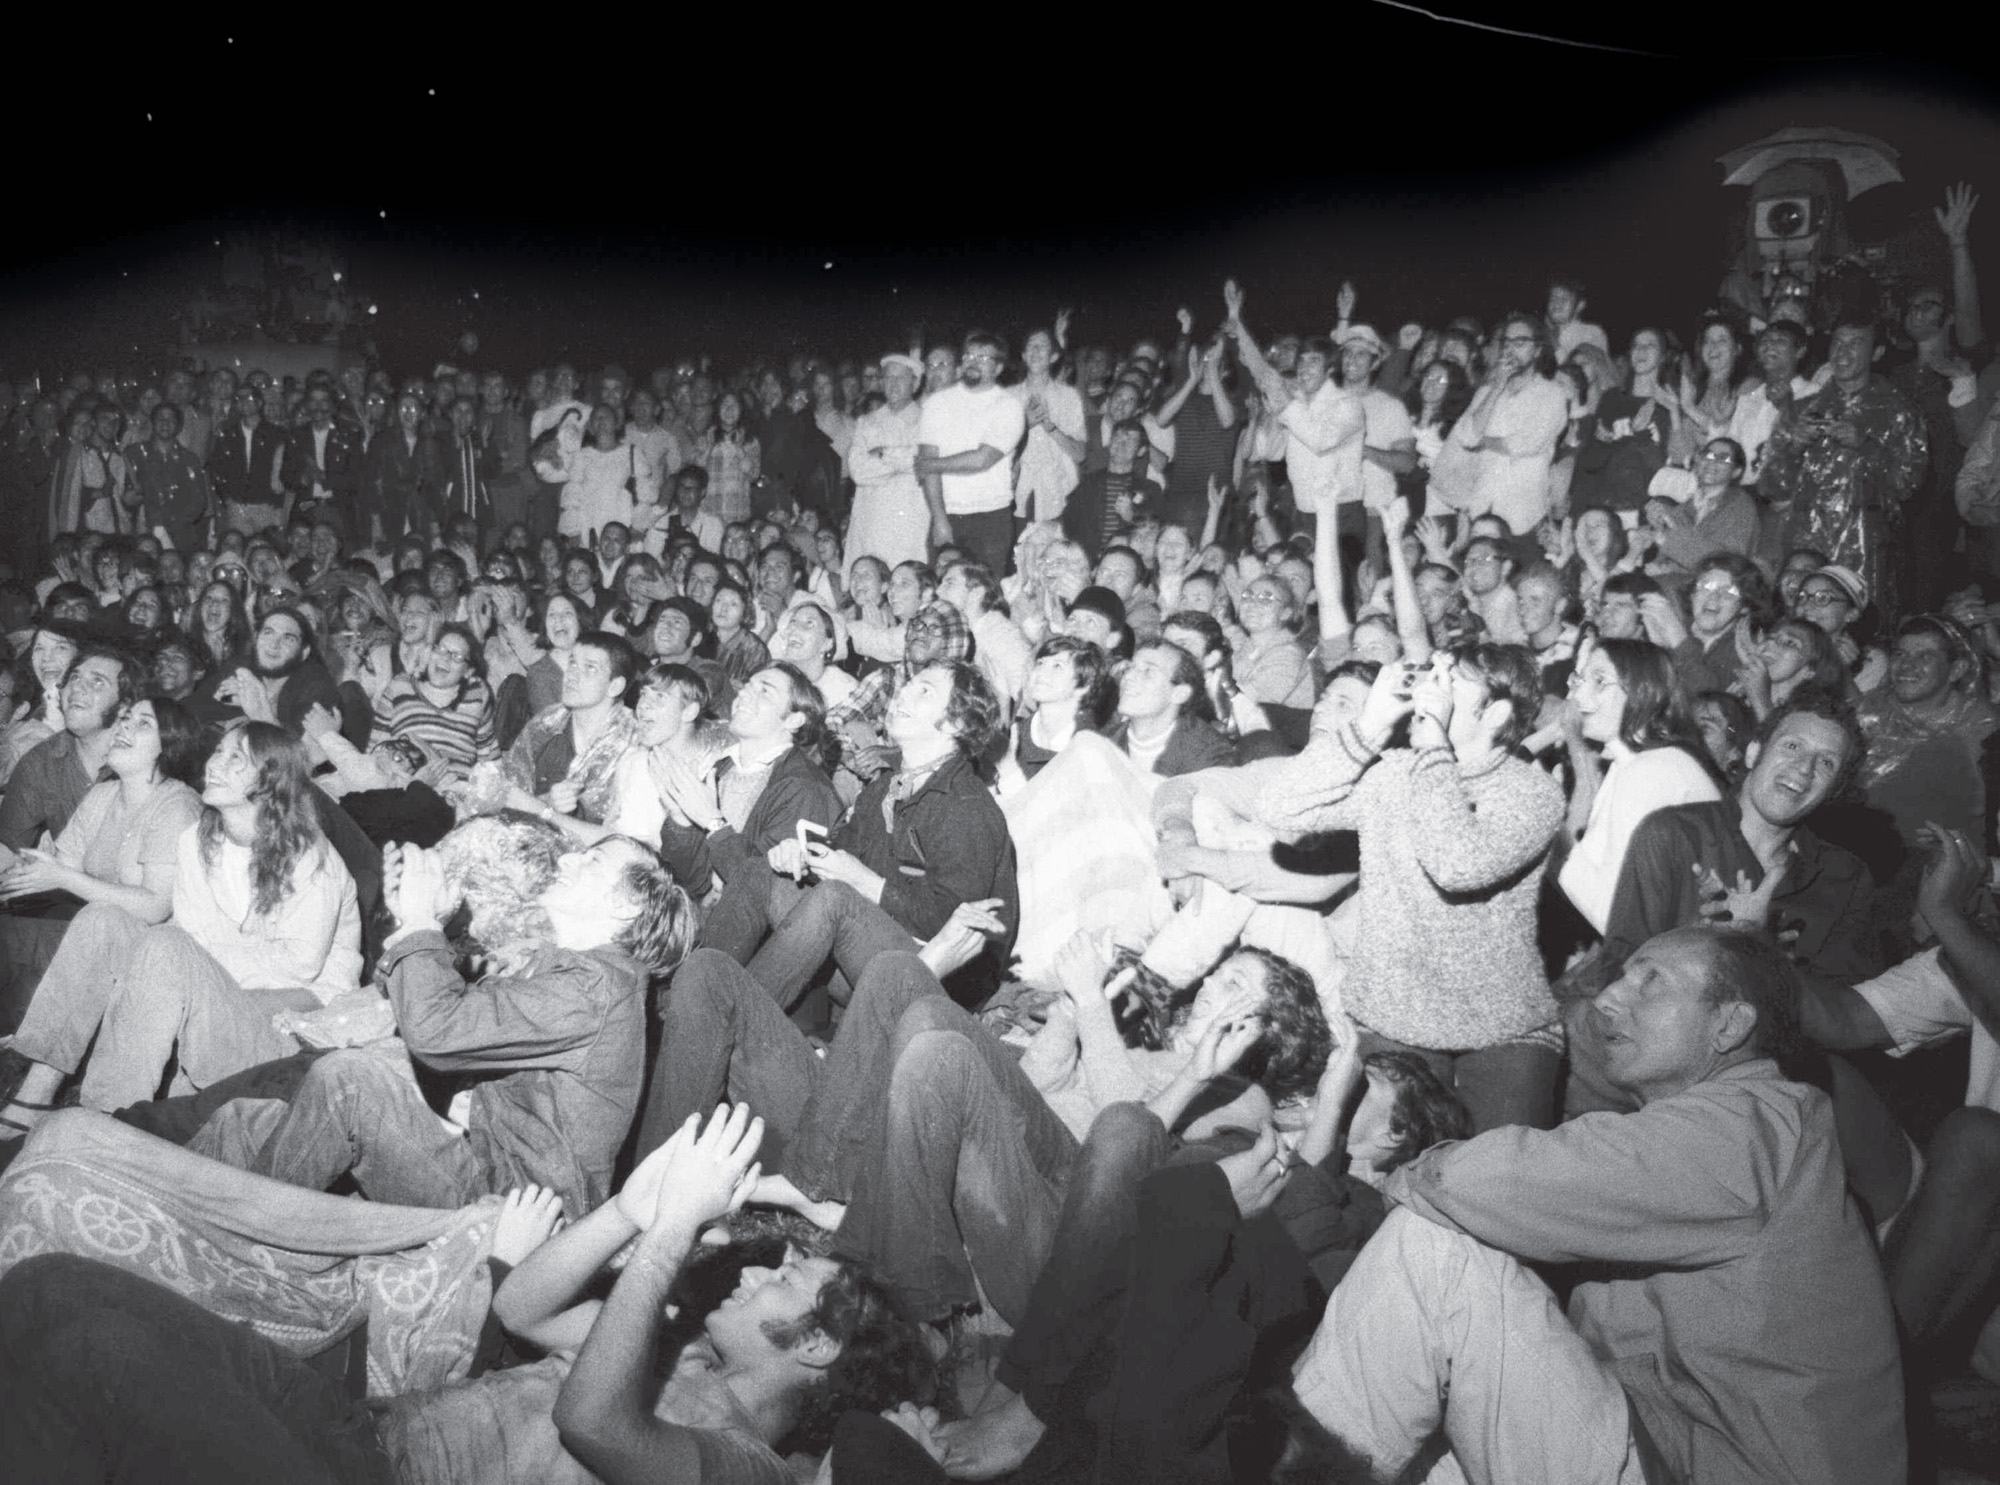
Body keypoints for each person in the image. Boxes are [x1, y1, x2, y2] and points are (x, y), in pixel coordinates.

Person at [0, 1105, 934, 1485]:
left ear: (815, 1346)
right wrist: (625, 1208)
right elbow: (522, 1306)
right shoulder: (681, 1348)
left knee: (95, 1355)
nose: (760, 1270)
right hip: (355, 1425)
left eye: (788, 1278)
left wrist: (667, 1241)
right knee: (48, 1290)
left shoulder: (747, 1467)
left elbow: (594, 1424)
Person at [1289, 927, 1906, 1485]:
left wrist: (1393, 1176)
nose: (1610, 998)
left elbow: (1490, 1180)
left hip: (1704, 1469)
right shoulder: (1723, 1130)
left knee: (1435, 1252)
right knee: (1408, 1444)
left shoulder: (1751, 1127)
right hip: (1666, 1453)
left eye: (1651, 982)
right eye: (1620, 976)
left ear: (1729, 1026)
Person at [223, 830, 688, 1216]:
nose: (568, 859)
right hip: (490, 1163)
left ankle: (234, 1234)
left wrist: (423, 922)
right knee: (247, 1120)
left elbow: (434, 1029)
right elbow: (437, 1010)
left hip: (519, 1208)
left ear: (626, 906)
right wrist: (423, 922)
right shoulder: (563, 971)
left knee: (347, 1082)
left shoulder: (593, 988)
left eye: (592, 860)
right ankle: (169, 1209)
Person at [0, 722, 361, 1133]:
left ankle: (102, 1121)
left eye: (235, 758)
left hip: (292, 1026)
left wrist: (187, 971)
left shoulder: (310, 857)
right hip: (215, 996)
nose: (215, 764)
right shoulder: (195, 841)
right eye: (218, 752)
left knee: (167, 948)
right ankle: (37, 1091)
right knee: (104, 919)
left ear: (271, 780)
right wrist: (183, 968)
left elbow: (299, 966)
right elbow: (193, 935)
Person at [1764, 315, 1930, 626]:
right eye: (1838, 342)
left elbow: (1909, 484)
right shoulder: (1803, 410)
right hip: (1804, 548)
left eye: (1855, 344)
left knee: (1858, 638)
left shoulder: (1899, 411)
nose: (1843, 351)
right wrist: (1794, 447)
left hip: (1865, 551)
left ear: (1877, 352)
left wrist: (1866, 446)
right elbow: (1772, 486)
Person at [1558, 637, 1722, 935]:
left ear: (1643, 692)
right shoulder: (1642, 762)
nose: (1578, 694)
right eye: (1580, 679)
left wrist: (1559, 847)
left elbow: (1616, 918)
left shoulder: (1650, 772)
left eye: (1599, 681)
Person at [652, 662, 843, 901]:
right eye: (747, 686)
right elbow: (692, 883)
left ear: (794, 720)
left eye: (764, 690)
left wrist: (713, 823)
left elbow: (762, 894)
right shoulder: (720, 769)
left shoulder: (806, 789)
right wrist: (680, 822)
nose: (743, 692)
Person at [1440, 312, 1571, 535]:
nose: (1510, 349)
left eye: (1520, 343)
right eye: (1507, 342)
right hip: (1480, 508)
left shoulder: (1553, 394)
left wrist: (1483, 441)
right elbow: (1466, 436)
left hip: (1524, 516)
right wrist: (1496, 387)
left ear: (1538, 350)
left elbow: (1528, 443)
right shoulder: (1486, 392)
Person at [500, 630, 642, 830]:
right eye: (573, 663)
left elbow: (623, 837)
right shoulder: (546, 724)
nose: (572, 675)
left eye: (590, 668)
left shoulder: (635, 741)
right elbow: (508, 794)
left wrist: (545, 810)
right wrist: (547, 801)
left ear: (615, 686)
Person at [0, 644, 135, 853]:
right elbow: (8, 851)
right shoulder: (39, 764)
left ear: (124, 706)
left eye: (97, 682)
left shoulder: (144, 762)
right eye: (74, 677)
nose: (77, 688)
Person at [915, 331, 1027, 576]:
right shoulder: (937, 403)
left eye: (983, 358)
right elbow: (927, 462)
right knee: (941, 593)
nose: (973, 362)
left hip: (991, 518)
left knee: (985, 594)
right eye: (968, 356)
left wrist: (932, 465)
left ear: (998, 368)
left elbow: (982, 459)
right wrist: (940, 518)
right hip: (948, 515)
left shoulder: (1009, 406)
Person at [370, 621, 501, 784]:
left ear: (468, 671)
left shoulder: (477, 693)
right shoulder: (400, 685)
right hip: (404, 787)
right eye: (441, 649)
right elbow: (376, 746)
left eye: (457, 656)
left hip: (456, 790)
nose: (445, 658)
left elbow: (488, 756)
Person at [1108, 639, 1237, 779]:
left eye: (1148, 671)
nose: (1128, 676)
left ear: (1179, 694)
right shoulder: (1105, 742)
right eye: (1129, 668)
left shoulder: (1210, 755)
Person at [124, 401, 212, 554]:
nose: (165, 423)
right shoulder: (136, 454)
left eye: (171, 419)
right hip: (145, 530)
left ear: (178, 426)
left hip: (181, 534)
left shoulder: (190, 459)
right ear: (152, 422)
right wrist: (141, 493)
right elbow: (128, 499)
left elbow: (199, 502)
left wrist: (171, 522)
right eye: (160, 418)